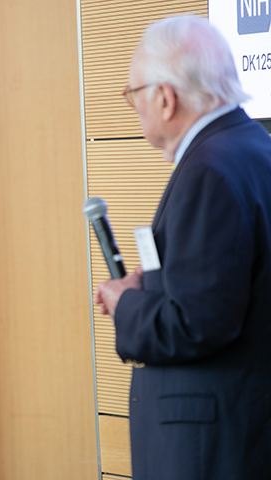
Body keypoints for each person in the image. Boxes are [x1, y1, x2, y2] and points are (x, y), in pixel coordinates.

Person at [93, 15, 271, 480]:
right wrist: (149, 287)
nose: (134, 108)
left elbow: (197, 323)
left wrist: (124, 300)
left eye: (133, 95)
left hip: (208, 448)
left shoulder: (209, 171)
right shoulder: (253, 149)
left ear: (165, 98)